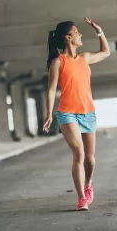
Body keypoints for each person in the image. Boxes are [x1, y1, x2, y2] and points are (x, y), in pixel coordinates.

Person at [43, 17, 110, 211]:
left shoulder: (85, 58)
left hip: (88, 113)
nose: (80, 34)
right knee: (79, 154)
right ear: (67, 37)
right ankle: (81, 198)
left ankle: (88, 185)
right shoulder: (58, 62)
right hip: (67, 113)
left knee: (90, 158)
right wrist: (49, 114)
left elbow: (105, 52)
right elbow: (50, 90)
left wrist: (99, 31)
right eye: (77, 32)